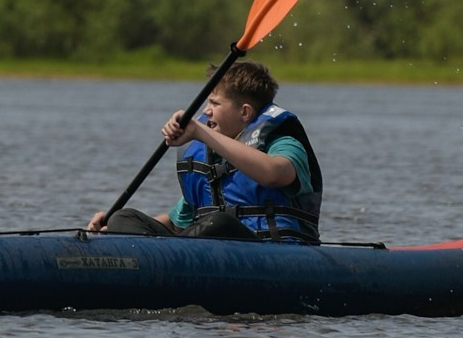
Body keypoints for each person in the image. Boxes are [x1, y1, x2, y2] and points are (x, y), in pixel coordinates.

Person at [92, 55, 322, 243]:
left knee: (218, 222)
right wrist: (114, 230)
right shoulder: (209, 158)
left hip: (274, 255)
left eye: (215, 103)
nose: (206, 111)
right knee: (124, 217)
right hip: (204, 251)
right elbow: (176, 223)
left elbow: (275, 174)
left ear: (244, 112)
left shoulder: (283, 141)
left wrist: (201, 132)